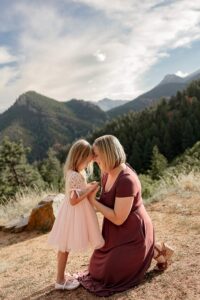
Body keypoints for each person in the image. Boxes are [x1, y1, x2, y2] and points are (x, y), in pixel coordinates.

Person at [78, 135, 172, 297]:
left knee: (110, 274)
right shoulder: (107, 173)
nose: (94, 158)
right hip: (116, 232)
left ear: (108, 154)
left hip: (133, 232)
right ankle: (155, 249)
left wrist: (93, 202)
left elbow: (118, 217)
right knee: (95, 270)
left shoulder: (126, 180)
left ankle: (154, 250)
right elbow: (107, 203)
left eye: (96, 154)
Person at [48, 139, 104, 290]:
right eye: (87, 160)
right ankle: (60, 280)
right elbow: (74, 200)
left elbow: (78, 191)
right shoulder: (74, 175)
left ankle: (61, 275)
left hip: (73, 213)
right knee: (64, 247)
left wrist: (87, 187)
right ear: (79, 157)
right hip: (73, 214)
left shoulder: (77, 172)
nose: (88, 164)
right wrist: (90, 189)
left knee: (64, 247)